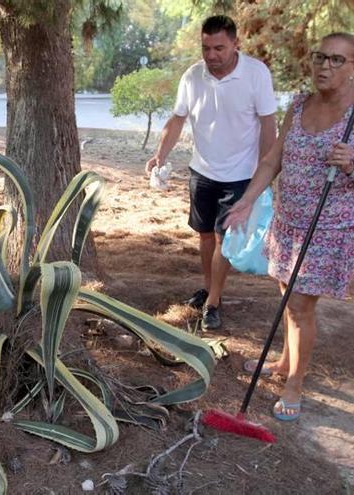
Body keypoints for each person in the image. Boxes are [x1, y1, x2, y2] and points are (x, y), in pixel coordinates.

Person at [224, 32, 354, 421]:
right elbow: (273, 159)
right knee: (287, 295)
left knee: (300, 306)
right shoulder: (299, 105)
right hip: (290, 221)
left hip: (330, 226)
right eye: (320, 57)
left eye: (337, 60)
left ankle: (294, 384)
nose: (324, 66)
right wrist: (247, 200)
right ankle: (285, 363)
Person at [145, 15, 277, 330]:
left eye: (219, 48)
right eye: (206, 48)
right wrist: (159, 154)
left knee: (223, 239)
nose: (211, 55)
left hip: (240, 174)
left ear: (235, 44)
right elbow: (177, 120)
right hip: (202, 171)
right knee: (205, 235)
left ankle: (214, 302)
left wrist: (265, 174)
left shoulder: (256, 74)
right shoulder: (192, 77)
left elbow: (268, 126)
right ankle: (209, 287)